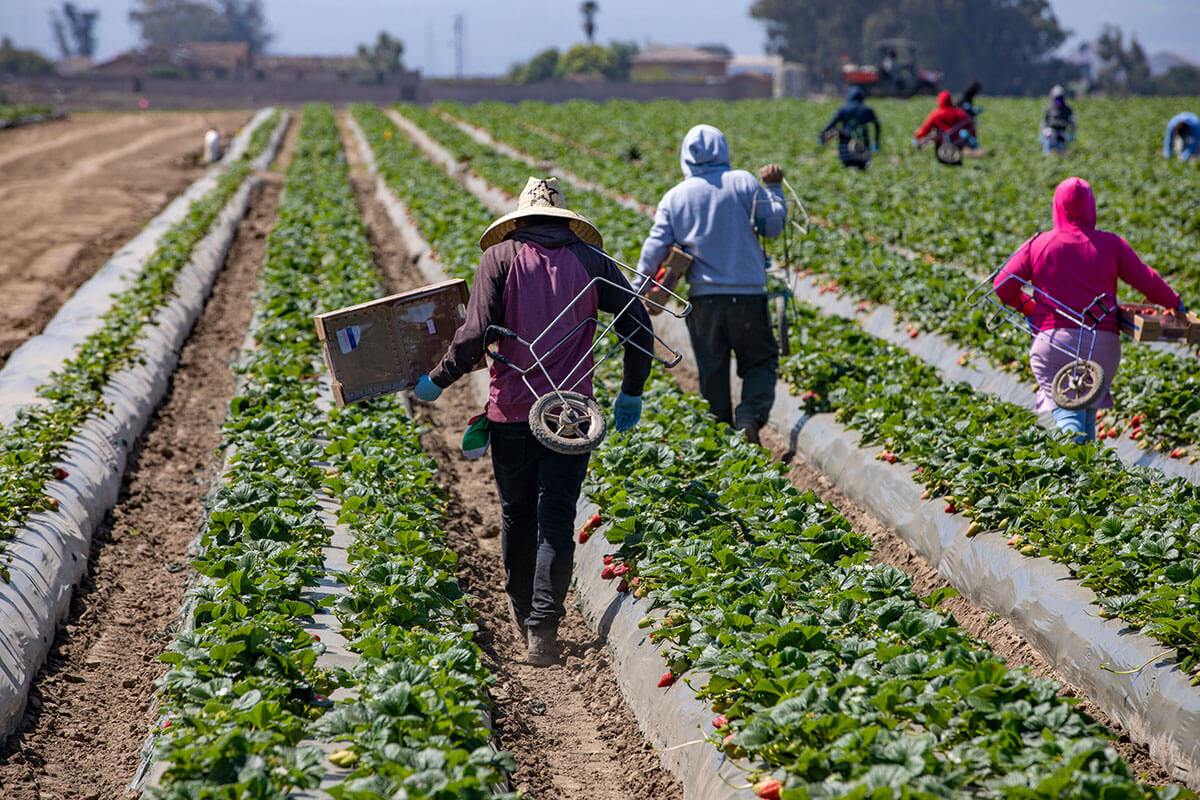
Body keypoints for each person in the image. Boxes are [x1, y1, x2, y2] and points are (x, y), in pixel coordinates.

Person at [414, 177, 653, 666]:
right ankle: (544, 630)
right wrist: (632, 390)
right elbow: (639, 327)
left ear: (519, 218)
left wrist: (438, 379)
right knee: (557, 518)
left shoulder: (499, 259)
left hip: (512, 410)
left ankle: (525, 618)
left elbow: (475, 332)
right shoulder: (591, 262)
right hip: (570, 415)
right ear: (565, 220)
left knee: (518, 515)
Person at [993, 177, 1185, 442]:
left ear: (1057, 207)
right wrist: (1175, 304)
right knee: (1085, 409)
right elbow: (1148, 280)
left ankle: (1073, 464)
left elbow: (1002, 286)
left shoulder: (1039, 244)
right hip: (1102, 346)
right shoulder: (1111, 244)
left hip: (1054, 342)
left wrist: (1029, 308)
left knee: (1068, 413)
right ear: (1091, 207)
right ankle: (1086, 470)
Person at [635, 124, 787, 444]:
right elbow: (772, 227)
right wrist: (774, 189)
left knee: (712, 369)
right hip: (748, 297)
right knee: (759, 361)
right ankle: (748, 417)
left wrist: (639, 286)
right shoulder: (744, 182)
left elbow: (655, 247)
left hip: (703, 301)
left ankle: (720, 441)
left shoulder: (676, 196)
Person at [818, 86, 881, 169]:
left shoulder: (843, 109)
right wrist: (876, 142)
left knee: (838, 131)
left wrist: (822, 135)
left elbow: (832, 124)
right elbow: (877, 125)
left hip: (846, 150)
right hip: (863, 148)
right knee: (862, 166)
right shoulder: (868, 110)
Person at [913, 90, 977, 161]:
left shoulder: (936, 114)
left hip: (943, 144)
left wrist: (917, 137)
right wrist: (974, 136)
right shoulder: (959, 113)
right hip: (959, 142)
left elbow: (924, 130)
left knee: (933, 134)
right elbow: (971, 124)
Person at [1040, 85, 1075, 156]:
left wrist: (1071, 134)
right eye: (1056, 98)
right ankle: (1048, 157)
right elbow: (1044, 122)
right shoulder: (1049, 109)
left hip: (1061, 131)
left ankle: (1060, 157)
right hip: (1050, 131)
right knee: (1048, 148)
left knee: (1061, 149)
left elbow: (1072, 122)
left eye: (1060, 98)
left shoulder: (1067, 109)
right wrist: (1041, 134)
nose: (1058, 100)